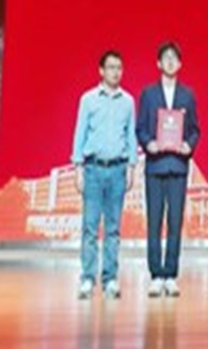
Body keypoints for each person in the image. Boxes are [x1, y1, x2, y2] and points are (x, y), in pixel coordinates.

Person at [136, 41, 200, 298]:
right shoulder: (149, 94)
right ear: (159, 63)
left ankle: (171, 274)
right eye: (166, 58)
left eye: (174, 58)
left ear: (180, 64)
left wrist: (188, 145)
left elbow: (195, 129)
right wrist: (148, 143)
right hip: (155, 165)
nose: (171, 62)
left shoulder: (187, 95)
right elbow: (141, 128)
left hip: (178, 166)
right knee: (154, 222)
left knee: (175, 222)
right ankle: (156, 274)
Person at [72, 50, 137, 300]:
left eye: (119, 68)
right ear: (101, 71)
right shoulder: (88, 99)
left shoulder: (128, 102)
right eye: (111, 67)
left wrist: (131, 167)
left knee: (113, 228)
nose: (115, 72)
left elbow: (130, 136)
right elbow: (80, 134)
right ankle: (88, 278)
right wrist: (78, 168)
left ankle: (110, 278)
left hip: (118, 169)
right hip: (93, 169)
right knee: (90, 227)